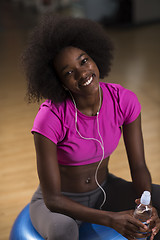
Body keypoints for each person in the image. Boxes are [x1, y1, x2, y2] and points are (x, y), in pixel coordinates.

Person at [22, 14, 160, 240]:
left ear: (94, 57)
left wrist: (148, 206)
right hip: (60, 204)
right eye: (68, 72)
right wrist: (110, 219)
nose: (82, 72)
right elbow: (52, 199)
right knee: (64, 231)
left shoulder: (123, 100)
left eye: (83, 60)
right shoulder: (49, 118)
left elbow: (138, 166)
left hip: (104, 190)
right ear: (59, 82)